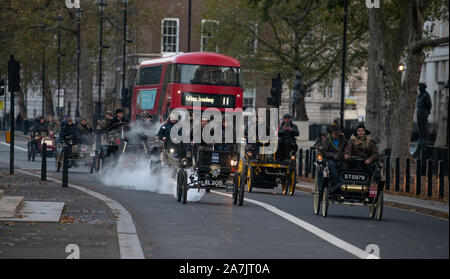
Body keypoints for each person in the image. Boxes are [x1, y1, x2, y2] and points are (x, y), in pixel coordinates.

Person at [320, 124, 348, 193]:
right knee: (332, 165)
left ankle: (343, 184)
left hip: (341, 159)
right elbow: (324, 152)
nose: (336, 135)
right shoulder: (326, 140)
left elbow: (347, 148)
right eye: (334, 133)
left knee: (345, 167)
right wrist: (332, 155)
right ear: (331, 132)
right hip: (331, 159)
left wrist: (346, 154)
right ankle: (336, 184)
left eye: (337, 133)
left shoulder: (343, 139)